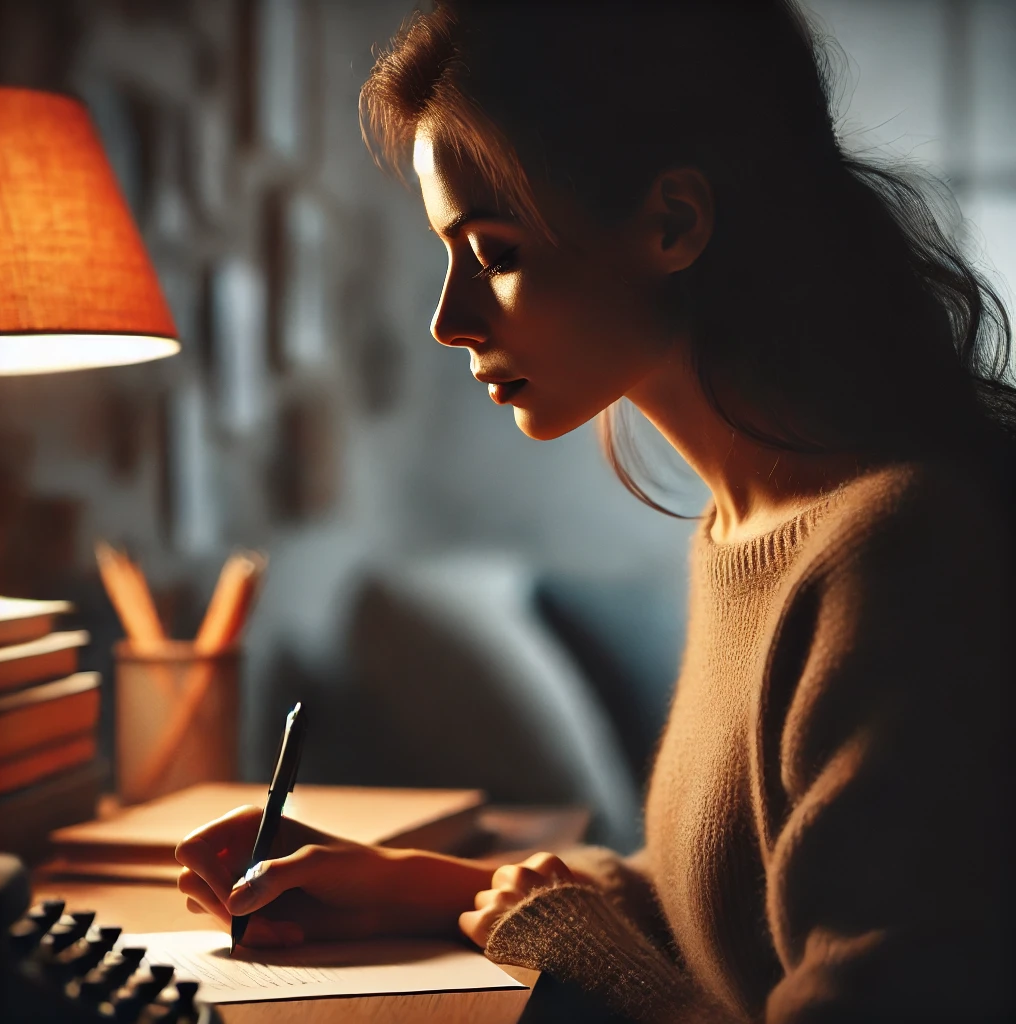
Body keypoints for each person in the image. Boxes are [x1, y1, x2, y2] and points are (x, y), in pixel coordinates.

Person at [175, 1, 1016, 1020]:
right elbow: (737, 905)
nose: (448, 321)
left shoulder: (898, 552)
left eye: (493, 252)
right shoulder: (745, 527)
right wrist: (417, 885)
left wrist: (584, 955)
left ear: (672, 223)